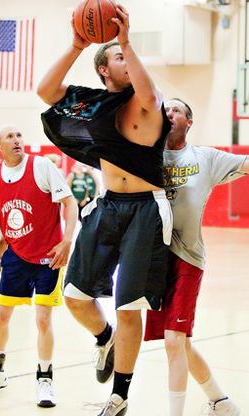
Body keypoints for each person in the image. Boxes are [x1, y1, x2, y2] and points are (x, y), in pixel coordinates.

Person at [38, 5, 173, 414]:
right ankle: (104, 339)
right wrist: (77, 44)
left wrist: (127, 43)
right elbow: (46, 91)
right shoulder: (94, 104)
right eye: (118, 57)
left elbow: (149, 94)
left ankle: (120, 396)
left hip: (146, 208)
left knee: (129, 306)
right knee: (75, 297)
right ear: (103, 69)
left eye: (127, 57)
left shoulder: (147, 102)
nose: (127, 63)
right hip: (108, 205)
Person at [142, 99, 249, 416]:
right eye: (166, 110)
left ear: (189, 122)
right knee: (179, 343)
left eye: (177, 111)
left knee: (173, 340)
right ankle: (221, 402)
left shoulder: (205, 157)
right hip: (152, 259)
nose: (169, 114)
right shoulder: (145, 155)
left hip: (187, 257)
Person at [0, 125, 77, 409]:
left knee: (42, 319)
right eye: (9, 137)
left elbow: (69, 202)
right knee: (1, 317)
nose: (17, 140)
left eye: (19, 136)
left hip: (48, 255)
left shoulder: (41, 166)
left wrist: (67, 240)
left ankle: (45, 379)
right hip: (16, 255)